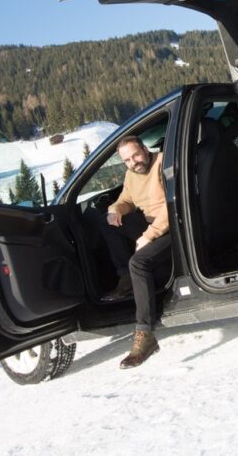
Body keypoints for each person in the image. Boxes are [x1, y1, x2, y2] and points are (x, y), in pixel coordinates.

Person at [98, 135, 171, 369]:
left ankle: (145, 334)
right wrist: (115, 210)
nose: (133, 162)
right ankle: (125, 278)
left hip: (173, 226)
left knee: (138, 262)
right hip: (150, 224)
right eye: (127, 160)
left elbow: (174, 203)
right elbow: (126, 199)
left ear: (145, 149)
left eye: (136, 155)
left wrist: (149, 236)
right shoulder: (132, 174)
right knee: (107, 223)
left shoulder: (163, 163)